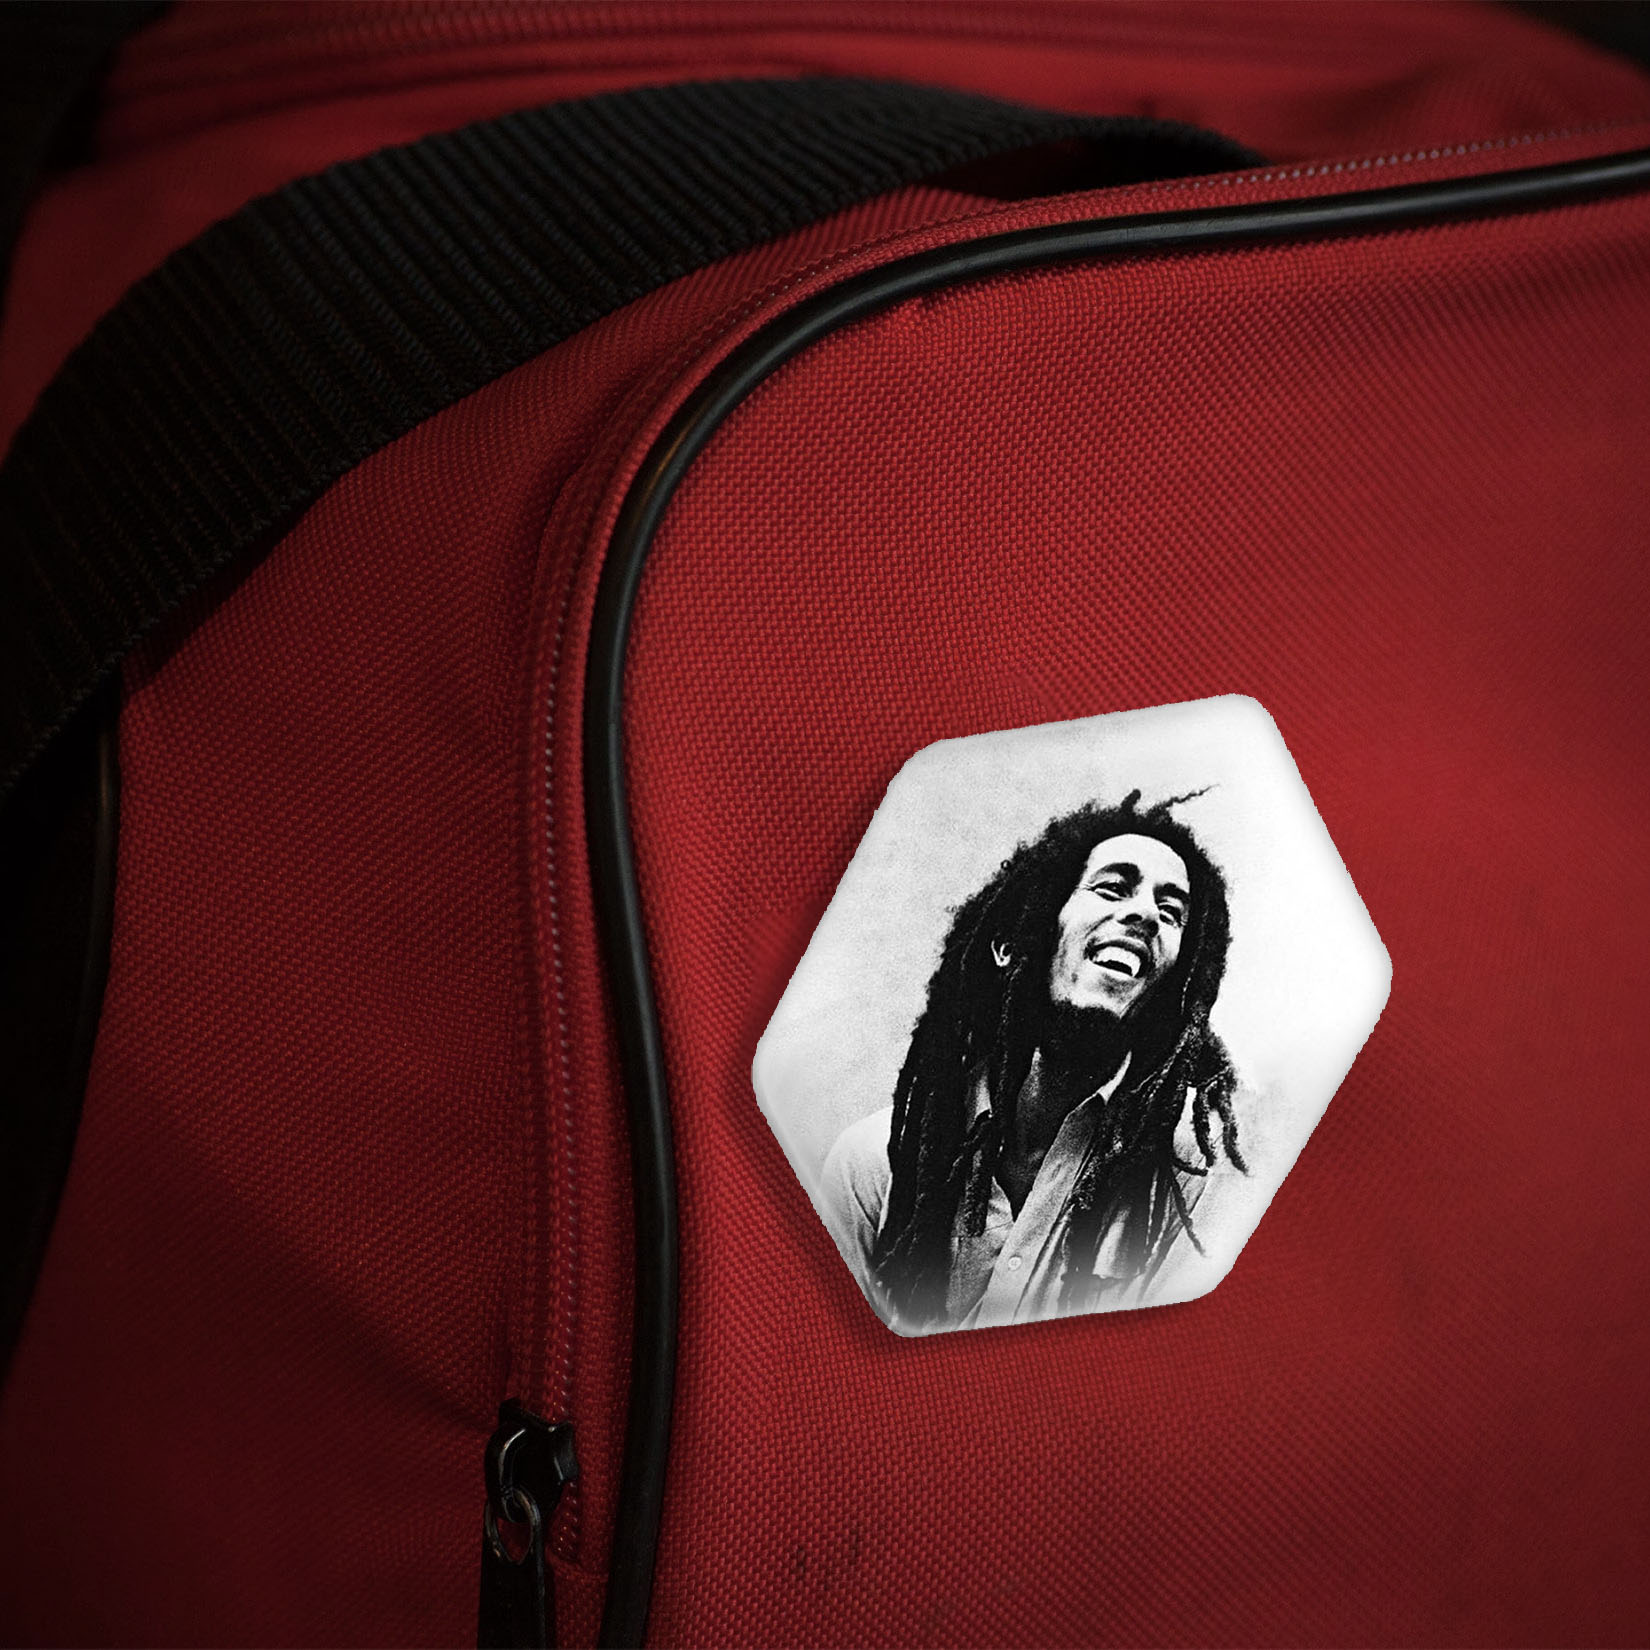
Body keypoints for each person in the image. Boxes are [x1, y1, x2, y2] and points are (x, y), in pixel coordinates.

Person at [820, 791, 1247, 1332]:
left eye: (1171, 913)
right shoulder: (873, 1166)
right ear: (1016, 941)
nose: (1144, 914)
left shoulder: (1191, 1179)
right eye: (1112, 887)